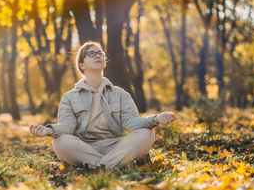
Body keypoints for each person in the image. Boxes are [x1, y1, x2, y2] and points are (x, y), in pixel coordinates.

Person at [29, 41, 175, 169]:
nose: (98, 56)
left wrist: (155, 119)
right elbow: (67, 126)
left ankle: (100, 166)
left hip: (116, 146)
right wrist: (49, 130)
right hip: (85, 147)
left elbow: (131, 122)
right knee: (60, 142)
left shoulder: (120, 94)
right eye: (91, 54)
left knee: (146, 134)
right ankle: (115, 165)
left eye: (100, 53)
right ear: (81, 65)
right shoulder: (69, 97)